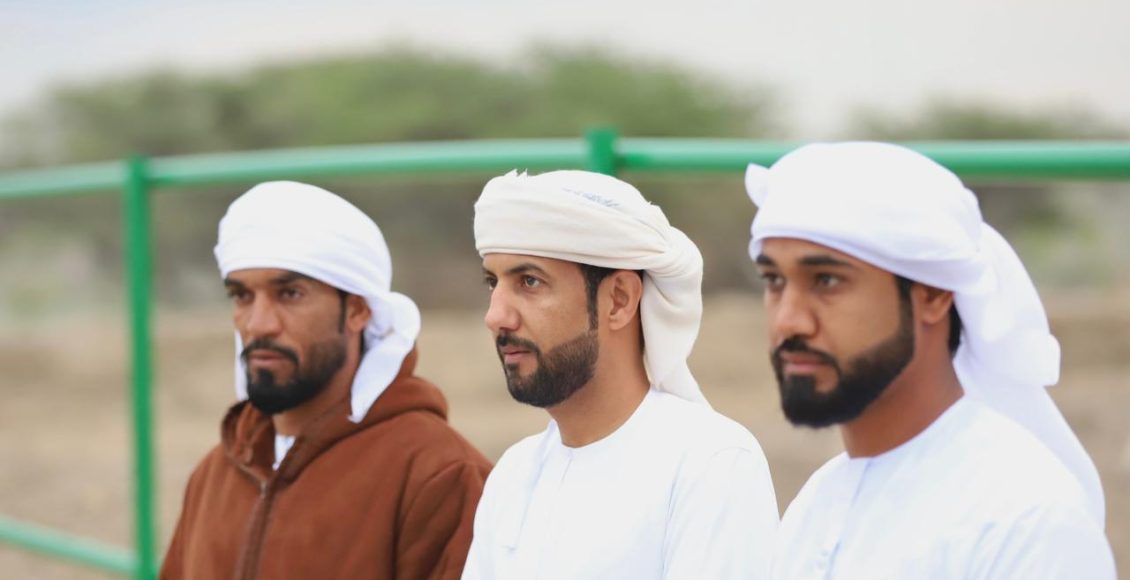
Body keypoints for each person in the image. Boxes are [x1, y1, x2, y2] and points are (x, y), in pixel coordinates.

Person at [744, 142, 1115, 579]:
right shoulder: (816, 504)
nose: (788, 321)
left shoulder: (1025, 519)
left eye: (826, 281)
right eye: (774, 280)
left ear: (934, 295)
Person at [161, 181, 491, 580]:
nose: (258, 324)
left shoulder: (440, 476)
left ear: (357, 311)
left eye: (290, 294)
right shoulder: (216, 474)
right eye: (242, 296)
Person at [463, 170, 778, 580]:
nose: (495, 316)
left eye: (529, 282)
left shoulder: (710, 464)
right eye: (493, 283)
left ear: (619, 300)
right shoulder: (513, 474)